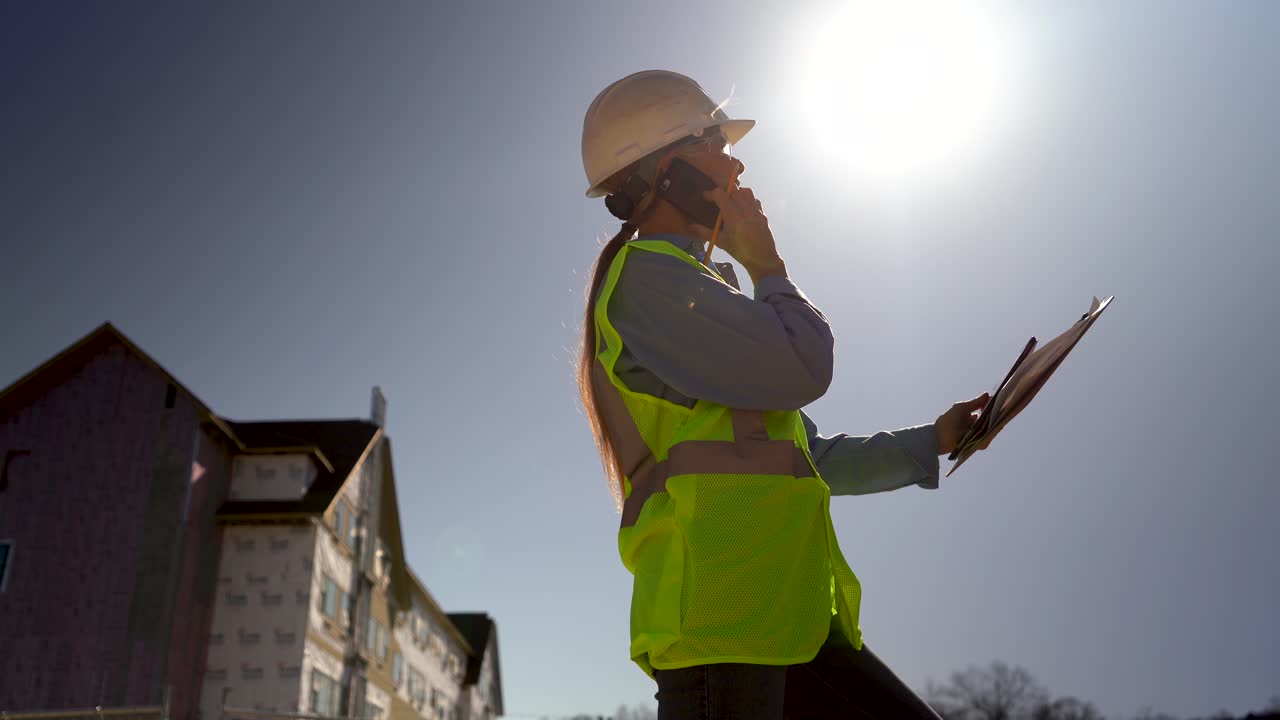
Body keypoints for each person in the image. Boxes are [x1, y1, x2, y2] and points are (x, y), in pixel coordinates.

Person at [578, 70, 988, 719]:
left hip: (784, 619)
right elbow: (805, 366)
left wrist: (932, 441)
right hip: (723, 624)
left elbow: (804, 458)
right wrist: (768, 266)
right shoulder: (650, 284)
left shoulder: (700, 288)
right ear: (666, 169)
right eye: (714, 141)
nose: (735, 161)